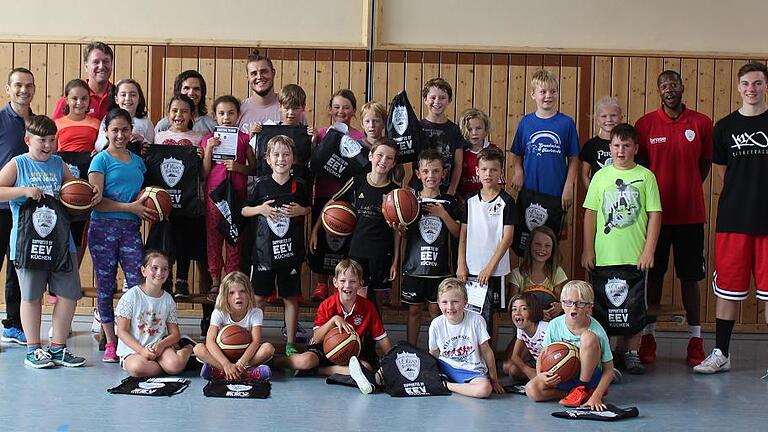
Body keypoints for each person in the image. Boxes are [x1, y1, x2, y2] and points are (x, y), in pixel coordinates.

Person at [0, 115, 98, 368]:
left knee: (69, 295)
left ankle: (58, 348)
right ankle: (33, 348)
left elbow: (74, 192)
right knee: (31, 297)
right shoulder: (18, 164)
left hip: (60, 242)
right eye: (41, 140)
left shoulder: (58, 163)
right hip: (27, 242)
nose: (47, 145)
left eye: (52, 140)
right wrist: (23, 191)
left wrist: (88, 192)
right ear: (27, 139)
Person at [635, 70, 713, 367]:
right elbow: (640, 170)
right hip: (655, 217)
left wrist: (688, 188)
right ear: (659, 91)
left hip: (691, 216)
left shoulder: (701, 122)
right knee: (652, 276)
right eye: (663, 85)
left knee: (690, 279)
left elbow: (704, 164)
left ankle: (695, 341)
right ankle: (648, 338)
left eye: (674, 84)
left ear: (682, 87)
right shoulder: (645, 124)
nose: (669, 89)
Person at [695, 62, 768, 375]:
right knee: (728, 291)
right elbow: (725, 174)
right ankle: (721, 353)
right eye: (746, 84)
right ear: (738, 88)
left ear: (766, 87)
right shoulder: (724, 128)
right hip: (733, 221)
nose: (751, 89)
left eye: (758, 83)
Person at [581, 123, 662, 375]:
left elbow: (655, 214)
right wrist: (587, 249)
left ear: (635, 148)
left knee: (634, 307)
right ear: (610, 147)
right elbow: (590, 215)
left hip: (634, 256)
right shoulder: (600, 177)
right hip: (605, 256)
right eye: (616, 145)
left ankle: (631, 352)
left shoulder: (646, 176)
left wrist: (649, 250)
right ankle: (608, 355)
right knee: (605, 308)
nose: (621, 150)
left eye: (626, 146)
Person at [88, 108, 155, 363]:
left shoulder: (138, 162)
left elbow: (142, 195)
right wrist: (131, 208)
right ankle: (110, 341)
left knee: (137, 284)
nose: (119, 134)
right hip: (103, 228)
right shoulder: (100, 160)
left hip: (130, 230)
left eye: (124, 129)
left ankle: (135, 339)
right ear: (106, 131)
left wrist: (147, 203)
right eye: (114, 130)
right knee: (105, 286)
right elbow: (96, 202)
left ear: (131, 131)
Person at [275, 259, 393, 394]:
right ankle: (278, 362)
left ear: (360, 283)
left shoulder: (368, 307)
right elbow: (317, 337)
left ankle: (320, 370)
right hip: (323, 348)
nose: (347, 286)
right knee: (305, 361)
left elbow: (382, 338)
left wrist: (393, 358)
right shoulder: (327, 305)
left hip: (350, 352)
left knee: (365, 368)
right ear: (335, 282)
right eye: (343, 281)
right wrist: (333, 320)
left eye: (353, 281)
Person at [241, 135, 310, 357]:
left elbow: (308, 207)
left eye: (286, 154)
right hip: (264, 253)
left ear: (293, 159)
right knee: (259, 298)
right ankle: (254, 340)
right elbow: (244, 210)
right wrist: (260, 209)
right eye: (276, 154)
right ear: (268, 159)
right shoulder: (261, 184)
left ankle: (290, 343)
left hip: (290, 251)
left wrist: (301, 211)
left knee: (290, 297)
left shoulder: (299, 184)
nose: (281, 158)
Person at [313, 140, 401, 311]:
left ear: (394, 163)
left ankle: (374, 336)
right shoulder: (356, 182)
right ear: (370, 156)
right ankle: (355, 334)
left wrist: (396, 260)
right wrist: (315, 230)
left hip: (381, 253)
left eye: (389, 158)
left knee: (376, 301)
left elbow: (396, 230)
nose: (383, 161)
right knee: (356, 296)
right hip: (356, 250)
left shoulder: (394, 192)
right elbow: (331, 205)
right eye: (379, 155)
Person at [457, 147, 516, 345]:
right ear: (477, 171)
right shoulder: (470, 200)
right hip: (471, 268)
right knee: (471, 313)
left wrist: (491, 267)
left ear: (500, 172)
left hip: (495, 270)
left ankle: (491, 358)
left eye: (493, 170)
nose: (488, 174)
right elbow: (463, 234)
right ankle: (473, 354)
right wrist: (461, 264)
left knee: (493, 314)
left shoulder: (507, 201)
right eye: (484, 170)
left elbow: (507, 238)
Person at [525, 280, 615, 410]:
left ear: (589, 307)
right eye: (568, 302)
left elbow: (609, 369)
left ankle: (583, 389)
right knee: (531, 390)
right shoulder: (555, 324)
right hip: (563, 375)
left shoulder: (597, 330)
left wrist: (597, 396)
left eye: (580, 303)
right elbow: (543, 355)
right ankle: (571, 394)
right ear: (562, 304)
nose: (573, 307)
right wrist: (540, 375)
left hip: (590, 377)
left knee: (588, 337)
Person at [401, 149, 460, 346]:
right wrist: (399, 227)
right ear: (418, 173)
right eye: (426, 171)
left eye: (435, 171)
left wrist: (443, 215)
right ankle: (411, 349)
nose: (430, 176)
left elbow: (458, 232)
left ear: (443, 173)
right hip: (414, 267)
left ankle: (439, 351)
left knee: (437, 311)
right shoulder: (409, 200)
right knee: (414, 310)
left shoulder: (450, 202)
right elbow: (403, 232)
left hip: (440, 269)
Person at [310, 89, 365, 300]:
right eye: (337, 106)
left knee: (342, 242)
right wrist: (313, 141)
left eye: (346, 107)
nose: (341, 111)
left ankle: (339, 283)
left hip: (349, 198)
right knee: (321, 241)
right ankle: (321, 283)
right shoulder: (322, 133)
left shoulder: (359, 137)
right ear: (330, 109)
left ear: (353, 110)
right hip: (324, 193)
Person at [201, 96, 255, 294]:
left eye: (231, 113)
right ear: (215, 116)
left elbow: (254, 168)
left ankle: (232, 279)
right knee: (213, 237)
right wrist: (208, 150)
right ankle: (215, 279)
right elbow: (204, 173)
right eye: (221, 113)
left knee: (234, 238)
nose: (226, 117)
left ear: (238, 115)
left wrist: (239, 167)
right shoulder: (207, 139)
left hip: (237, 195)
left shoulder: (244, 138)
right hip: (214, 196)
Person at [154, 94, 206, 298]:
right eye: (175, 110)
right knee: (166, 242)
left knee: (184, 241)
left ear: (192, 114)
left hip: (188, 200)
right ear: (168, 113)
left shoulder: (198, 138)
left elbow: (202, 173)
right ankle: (165, 278)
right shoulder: (158, 137)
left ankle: (182, 280)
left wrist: (203, 156)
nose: (179, 115)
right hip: (163, 202)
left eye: (184, 111)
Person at [115, 250, 196, 377]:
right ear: (143, 271)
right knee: (137, 368)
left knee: (174, 366)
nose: (159, 273)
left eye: (164, 269)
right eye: (155, 268)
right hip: (134, 350)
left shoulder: (168, 299)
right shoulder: (131, 296)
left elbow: (175, 334)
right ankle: (171, 365)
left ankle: (189, 347)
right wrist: (142, 351)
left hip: (159, 348)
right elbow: (122, 331)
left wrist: (160, 345)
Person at [510, 68, 579, 215]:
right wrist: (518, 171)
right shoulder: (526, 122)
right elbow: (517, 153)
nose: (548, 96)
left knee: (551, 236)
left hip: (556, 191)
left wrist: (568, 186)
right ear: (533, 94)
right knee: (527, 236)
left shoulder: (566, 123)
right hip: (529, 190)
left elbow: (574, 159)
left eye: (553, 92)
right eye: (543, 92)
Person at [0, 67, 35, 346]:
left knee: (17, 267)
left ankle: (14, 324)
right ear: (8, 89)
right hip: (1, 206)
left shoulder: (37, 124)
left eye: (29, 86)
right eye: (18, 85)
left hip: (26, 211)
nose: (24, 90)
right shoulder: (1, 120)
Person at [428, 278, 504, 398]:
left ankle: (446, 386)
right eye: (444, 302)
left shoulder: (476, 320)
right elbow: (433, 353)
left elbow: (486, 351)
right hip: (446, 368)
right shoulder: (436, 324)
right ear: (438, 303)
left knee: (484, 390)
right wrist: (431, 375)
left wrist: (494, 379)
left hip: (472, 370)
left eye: (455, 301)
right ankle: (450, 384)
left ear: (465, 302)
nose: (450, 307)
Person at [194, 271, 274, 381]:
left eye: (242, 291)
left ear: (249, 293)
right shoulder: (219, 312)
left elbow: (255, 342)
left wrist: (241, 363)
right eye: (231, 293)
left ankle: (220, 372)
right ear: (225, 296)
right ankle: (247, 373)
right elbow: (210, 341)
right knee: (198, 349)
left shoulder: (256, 312)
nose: (238, 296)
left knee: (268, 348)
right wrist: (226, 364)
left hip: (245, 357)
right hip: (222, 355)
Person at [54, 79, 100, 265]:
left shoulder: (96, 123)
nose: (79, 103)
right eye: (74, 98)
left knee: (80, 231)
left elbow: (101, 148)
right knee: (59, 229)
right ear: (66, 99)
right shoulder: (57, 124)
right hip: (63, 182)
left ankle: (74, 272)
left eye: (84, 98)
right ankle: (55, 288)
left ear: (90, 100)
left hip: (85, 184)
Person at [411, 78, 466, 195]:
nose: (437, 101)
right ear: (425, 100)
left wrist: (451, 191)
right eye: (433, 97)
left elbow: (458, 165)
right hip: (419, 191)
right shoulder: (416, 127)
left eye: (442, 98)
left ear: (449, 100)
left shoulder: (454, 130)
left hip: (445, 191)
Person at [510, 225, 567, 320]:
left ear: (553, 249)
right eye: (538, 244)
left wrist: (559, 306)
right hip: (525, 324)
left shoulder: (556, 272)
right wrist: (535, 313)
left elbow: (560, 300)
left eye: (547, 245)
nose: (542, 249)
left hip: (549, 322)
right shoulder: (517, 273)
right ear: (529, 245)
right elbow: (512, 305)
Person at [52, 42, 114, 121]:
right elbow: (54, 130)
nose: (101, 66)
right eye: (96, 62)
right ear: (86, 66)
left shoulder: (119, 97)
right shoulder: (70, 98)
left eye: (106, 61)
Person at [95, 79, 155, 151]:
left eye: (133, 95)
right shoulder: (108, 119)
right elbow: (98, 146)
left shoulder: (146, 122)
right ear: (116, 99)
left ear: (139, 99)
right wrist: (110, 135)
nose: (128, 98)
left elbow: (152, 148)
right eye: (123, 95)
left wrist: (142, 140)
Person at [458, 108, 504, 199]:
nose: (474, 133)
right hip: (465, 201)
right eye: (470, 129)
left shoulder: (494, 150)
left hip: (489, 201)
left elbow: (500, 182)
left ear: (486, 130)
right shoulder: (460, 152)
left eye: (478, 128)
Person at [580, 96, 623, 189]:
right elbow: (584, 175)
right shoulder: (590, 146)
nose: (609, 119)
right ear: (597, 120)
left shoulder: (626, 145)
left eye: (613, 115)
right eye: (604, 116)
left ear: (621, 117)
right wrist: (593, 195)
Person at [502, 292, 548, 380]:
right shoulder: (521, 329)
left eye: (523, 309)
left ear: (533, 310)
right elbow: (515, 356)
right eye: (514, 309)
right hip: (537, 362)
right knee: (513, 370)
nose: (517, 313)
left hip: (551, 363)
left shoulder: (545, 330)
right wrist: (528, 370)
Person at [155, 70, 216, 134]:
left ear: (202, 93)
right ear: (178, 91)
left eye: (196, 89)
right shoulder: (163, 126)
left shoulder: (211, 125)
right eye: (186, 88)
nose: (191, 93)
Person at [239, 50, 283, 134]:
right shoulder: (238, 110)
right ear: (248, 78)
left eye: (264, 71)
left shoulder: (290, 108)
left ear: (273, 73)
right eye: (253, 73)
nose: (259, 77)